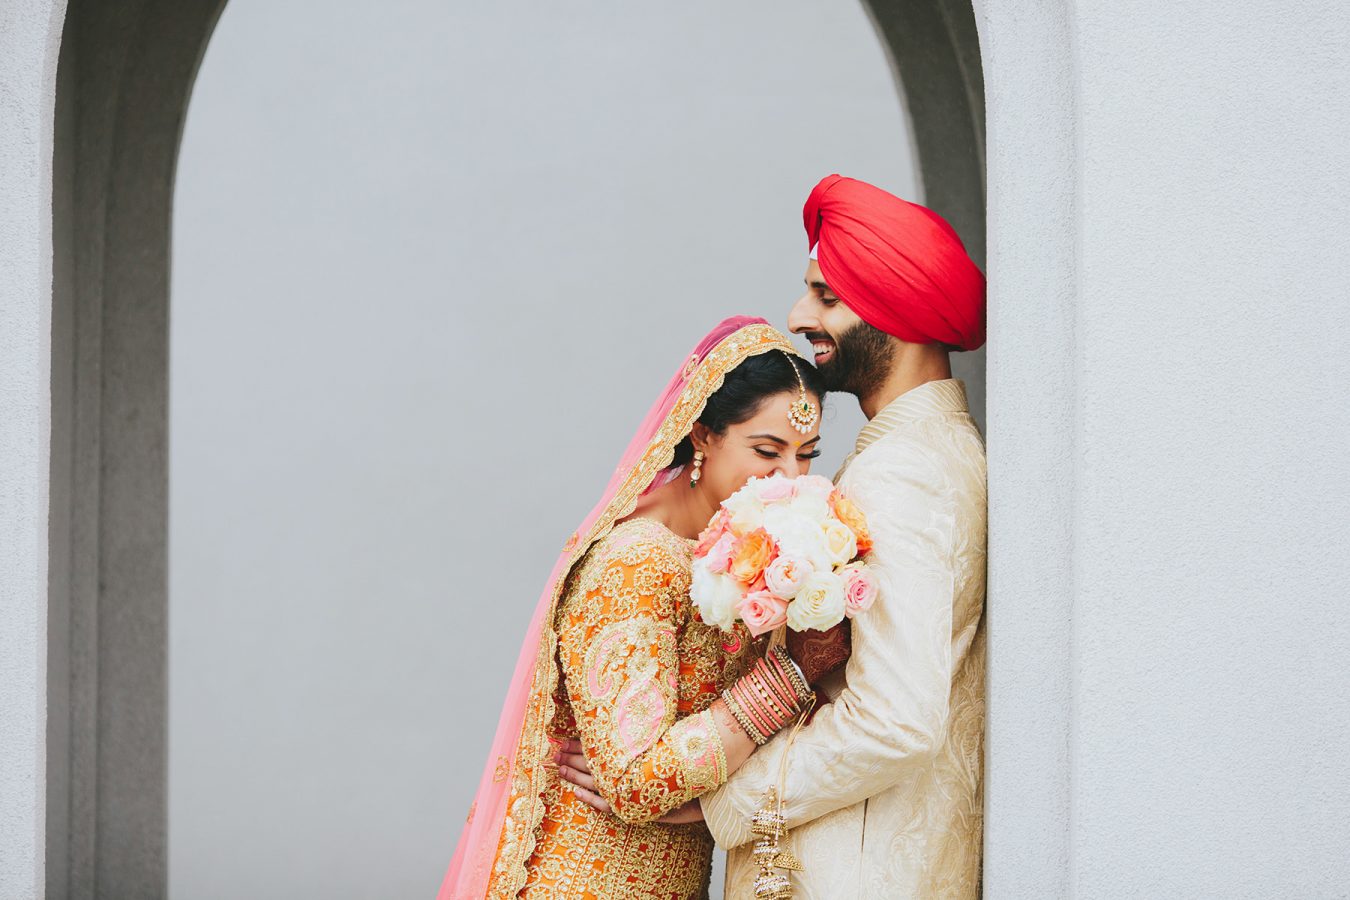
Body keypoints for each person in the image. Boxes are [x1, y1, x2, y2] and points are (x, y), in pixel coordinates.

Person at [565, 175, 988, 897]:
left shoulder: (901, 475)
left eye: (826, 295)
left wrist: (716, 801)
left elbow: (894, 722)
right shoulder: (933, 452)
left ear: (895, 305)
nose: (799, 315)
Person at [436, 317, 838, 900]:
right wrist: (788, 678)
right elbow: (633, 780)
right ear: (701, 434)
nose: (790, 477)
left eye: (807, 455)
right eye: (767, 450)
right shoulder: (638, 561)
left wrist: (709, 805)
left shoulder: (737, 554)